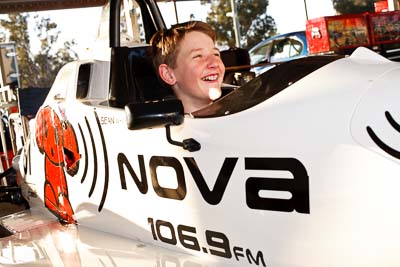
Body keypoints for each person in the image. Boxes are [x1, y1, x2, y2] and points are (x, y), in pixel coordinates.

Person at [150, 21, 225, 114]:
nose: (214, 63)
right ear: (168, 75)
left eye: (216, 54)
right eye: (198, 56)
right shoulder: (168, 128)